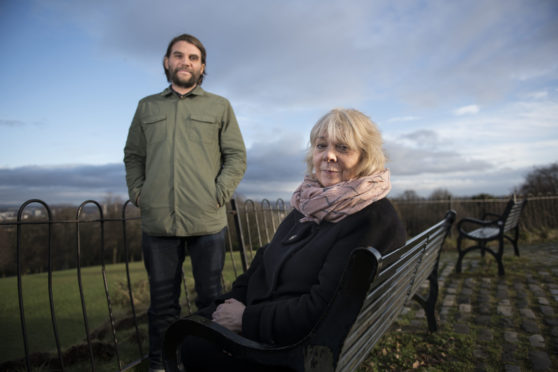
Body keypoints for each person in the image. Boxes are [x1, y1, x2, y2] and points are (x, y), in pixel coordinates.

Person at [178, 108, 406, 371]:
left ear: (365, 156)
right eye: (321, 145)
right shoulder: (313, 203)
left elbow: (324, 310)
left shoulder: (372, 219)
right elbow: (266, 260)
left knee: (191, 342)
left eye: (343, 147)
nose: (328, 155)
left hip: (295, 348)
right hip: (270, 316)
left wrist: (246, 318)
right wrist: (231, 301)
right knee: (193, 326)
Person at [123, 33, 247, 372]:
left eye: (193, 58)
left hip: (207, 222)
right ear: (167, 62)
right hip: (159, 222)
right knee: (162, 304)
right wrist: (139, 193)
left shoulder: (219, 106)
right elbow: (133, 156)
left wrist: (218, 194)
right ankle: (161, 364)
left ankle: (208, 362)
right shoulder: (147, 106)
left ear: (202, 67)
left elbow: (236, 156)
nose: (185, 62)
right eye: (178, 56)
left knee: (209, 300)